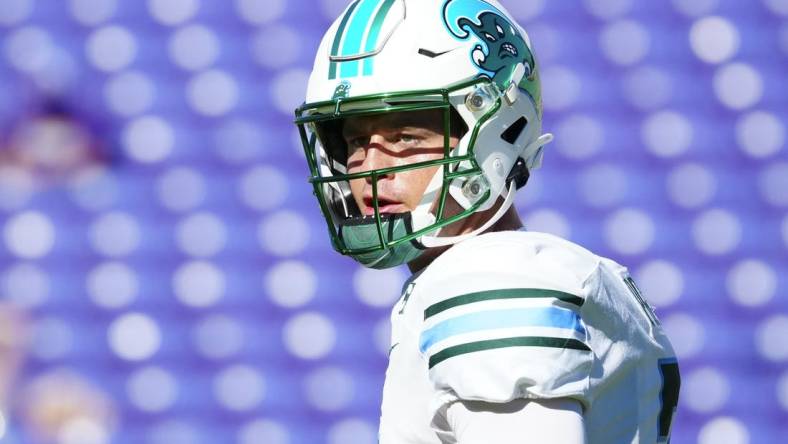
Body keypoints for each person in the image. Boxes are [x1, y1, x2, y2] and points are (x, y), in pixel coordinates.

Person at [294, 1, 680, 442]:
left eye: (405, 136)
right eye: (356, 139)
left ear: (499, 130)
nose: (370, 167)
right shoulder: (523, 270)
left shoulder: (492, 282)